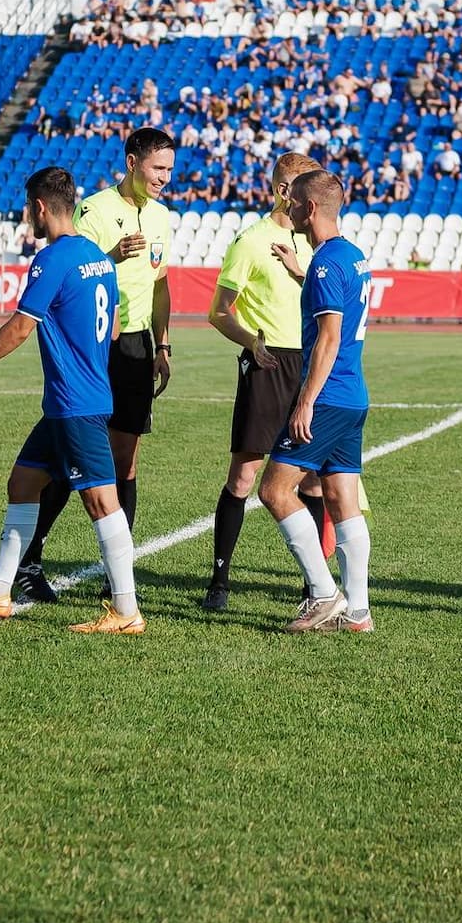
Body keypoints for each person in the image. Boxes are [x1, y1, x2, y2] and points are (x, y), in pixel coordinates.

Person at [0, 166, 143, 635]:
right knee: (24, 483)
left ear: (42, 207)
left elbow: (20, 325)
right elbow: (110, 329)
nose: (26, 214)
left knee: (101, 502)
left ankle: (127, 610)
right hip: (71, 401)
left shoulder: (52, 259)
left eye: (28, 206)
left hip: (76, 404)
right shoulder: (97, 257)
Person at [13, 127, 174, 602]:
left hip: (139, 347)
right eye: (156, 168)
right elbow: (74, 269)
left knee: (125, 462)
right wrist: (111, 254)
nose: (163, 177)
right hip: (101, 348)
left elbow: (161, 283)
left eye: (168, 168)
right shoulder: (95, 211)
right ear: (131, 162)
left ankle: (114, 574)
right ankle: (30, 561)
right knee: (71, 458)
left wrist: (162, 345)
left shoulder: (163, 217)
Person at [200, 152, 330, 611]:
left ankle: (314, 586)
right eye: (305, 187)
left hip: (312, 365)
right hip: (268, 362)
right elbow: (218, 311)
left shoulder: (319, 242)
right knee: (244, 476)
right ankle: (219, 581)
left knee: (312, 479)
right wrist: (251, 343)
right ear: (283, 191)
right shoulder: (252, 241)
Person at [256, 169, 374, 634]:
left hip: (326, 397)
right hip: (353, 396)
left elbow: (328, 339)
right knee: (343, 497)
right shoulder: (351, 256)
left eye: (293, 204)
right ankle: (359, 612)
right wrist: (302, 273)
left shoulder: (326, 263)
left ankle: (324, 594)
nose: (288, 210)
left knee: (274, 490)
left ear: (308, 208)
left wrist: (304, 402)